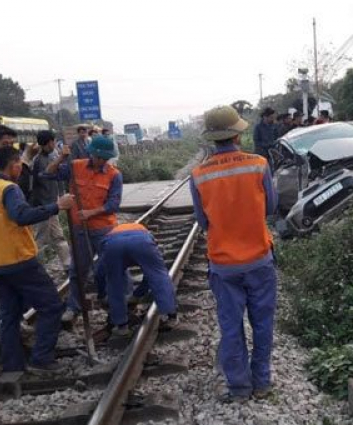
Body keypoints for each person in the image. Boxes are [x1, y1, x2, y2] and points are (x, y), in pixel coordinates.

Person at [189, 105, 278, 403]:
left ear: (212, 139)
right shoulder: (259, 164)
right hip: (259, 259)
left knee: (230, 326)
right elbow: (271, 208)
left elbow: (202, 222)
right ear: (238, 133)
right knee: (263, 323)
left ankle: (239, 388)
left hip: (224, 264)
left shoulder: (199, 175)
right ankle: (262, 382)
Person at [0, 146, 74, 374]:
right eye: (19, 163)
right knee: (50, 306)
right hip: (18, 259)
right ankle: (42, 359)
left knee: (9, 315)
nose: (21, 167)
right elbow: (20, 216)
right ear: (13, 165)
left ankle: (12, 365)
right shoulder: (8, 189)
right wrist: (56, 206)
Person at [45, 135, 123, 323]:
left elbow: (113, 204)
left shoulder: (114, 175)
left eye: (106, 158)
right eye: (99, 157)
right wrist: (62, 157)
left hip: (105, 230)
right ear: (92, 154)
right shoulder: (75, 166)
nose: (102, 161)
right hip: (80, 230)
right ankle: (74, 307)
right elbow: (48, 173)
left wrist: (91, 213)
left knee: (111, 267)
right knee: (77, 271)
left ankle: (117, 302)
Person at [96, 223, 178, 336]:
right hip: (141, 241)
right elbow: (149, 277)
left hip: (113, 245)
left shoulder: (109, 239)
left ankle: (121, 326)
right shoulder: (145, 234)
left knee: (114, 282)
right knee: (158, 275)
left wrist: (101, 295)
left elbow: (99, 273)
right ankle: (171, 317)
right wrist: (139, 294)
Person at [31, 130, 71, 270]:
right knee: (40, 240)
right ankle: (36, 269)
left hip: (52, 204)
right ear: (49, 142)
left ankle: (67, 265)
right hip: (43, 206)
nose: (54, 144)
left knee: (58, 236)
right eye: (53, 141)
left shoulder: (50, 156)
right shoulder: (39, 160)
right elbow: (46, 175)